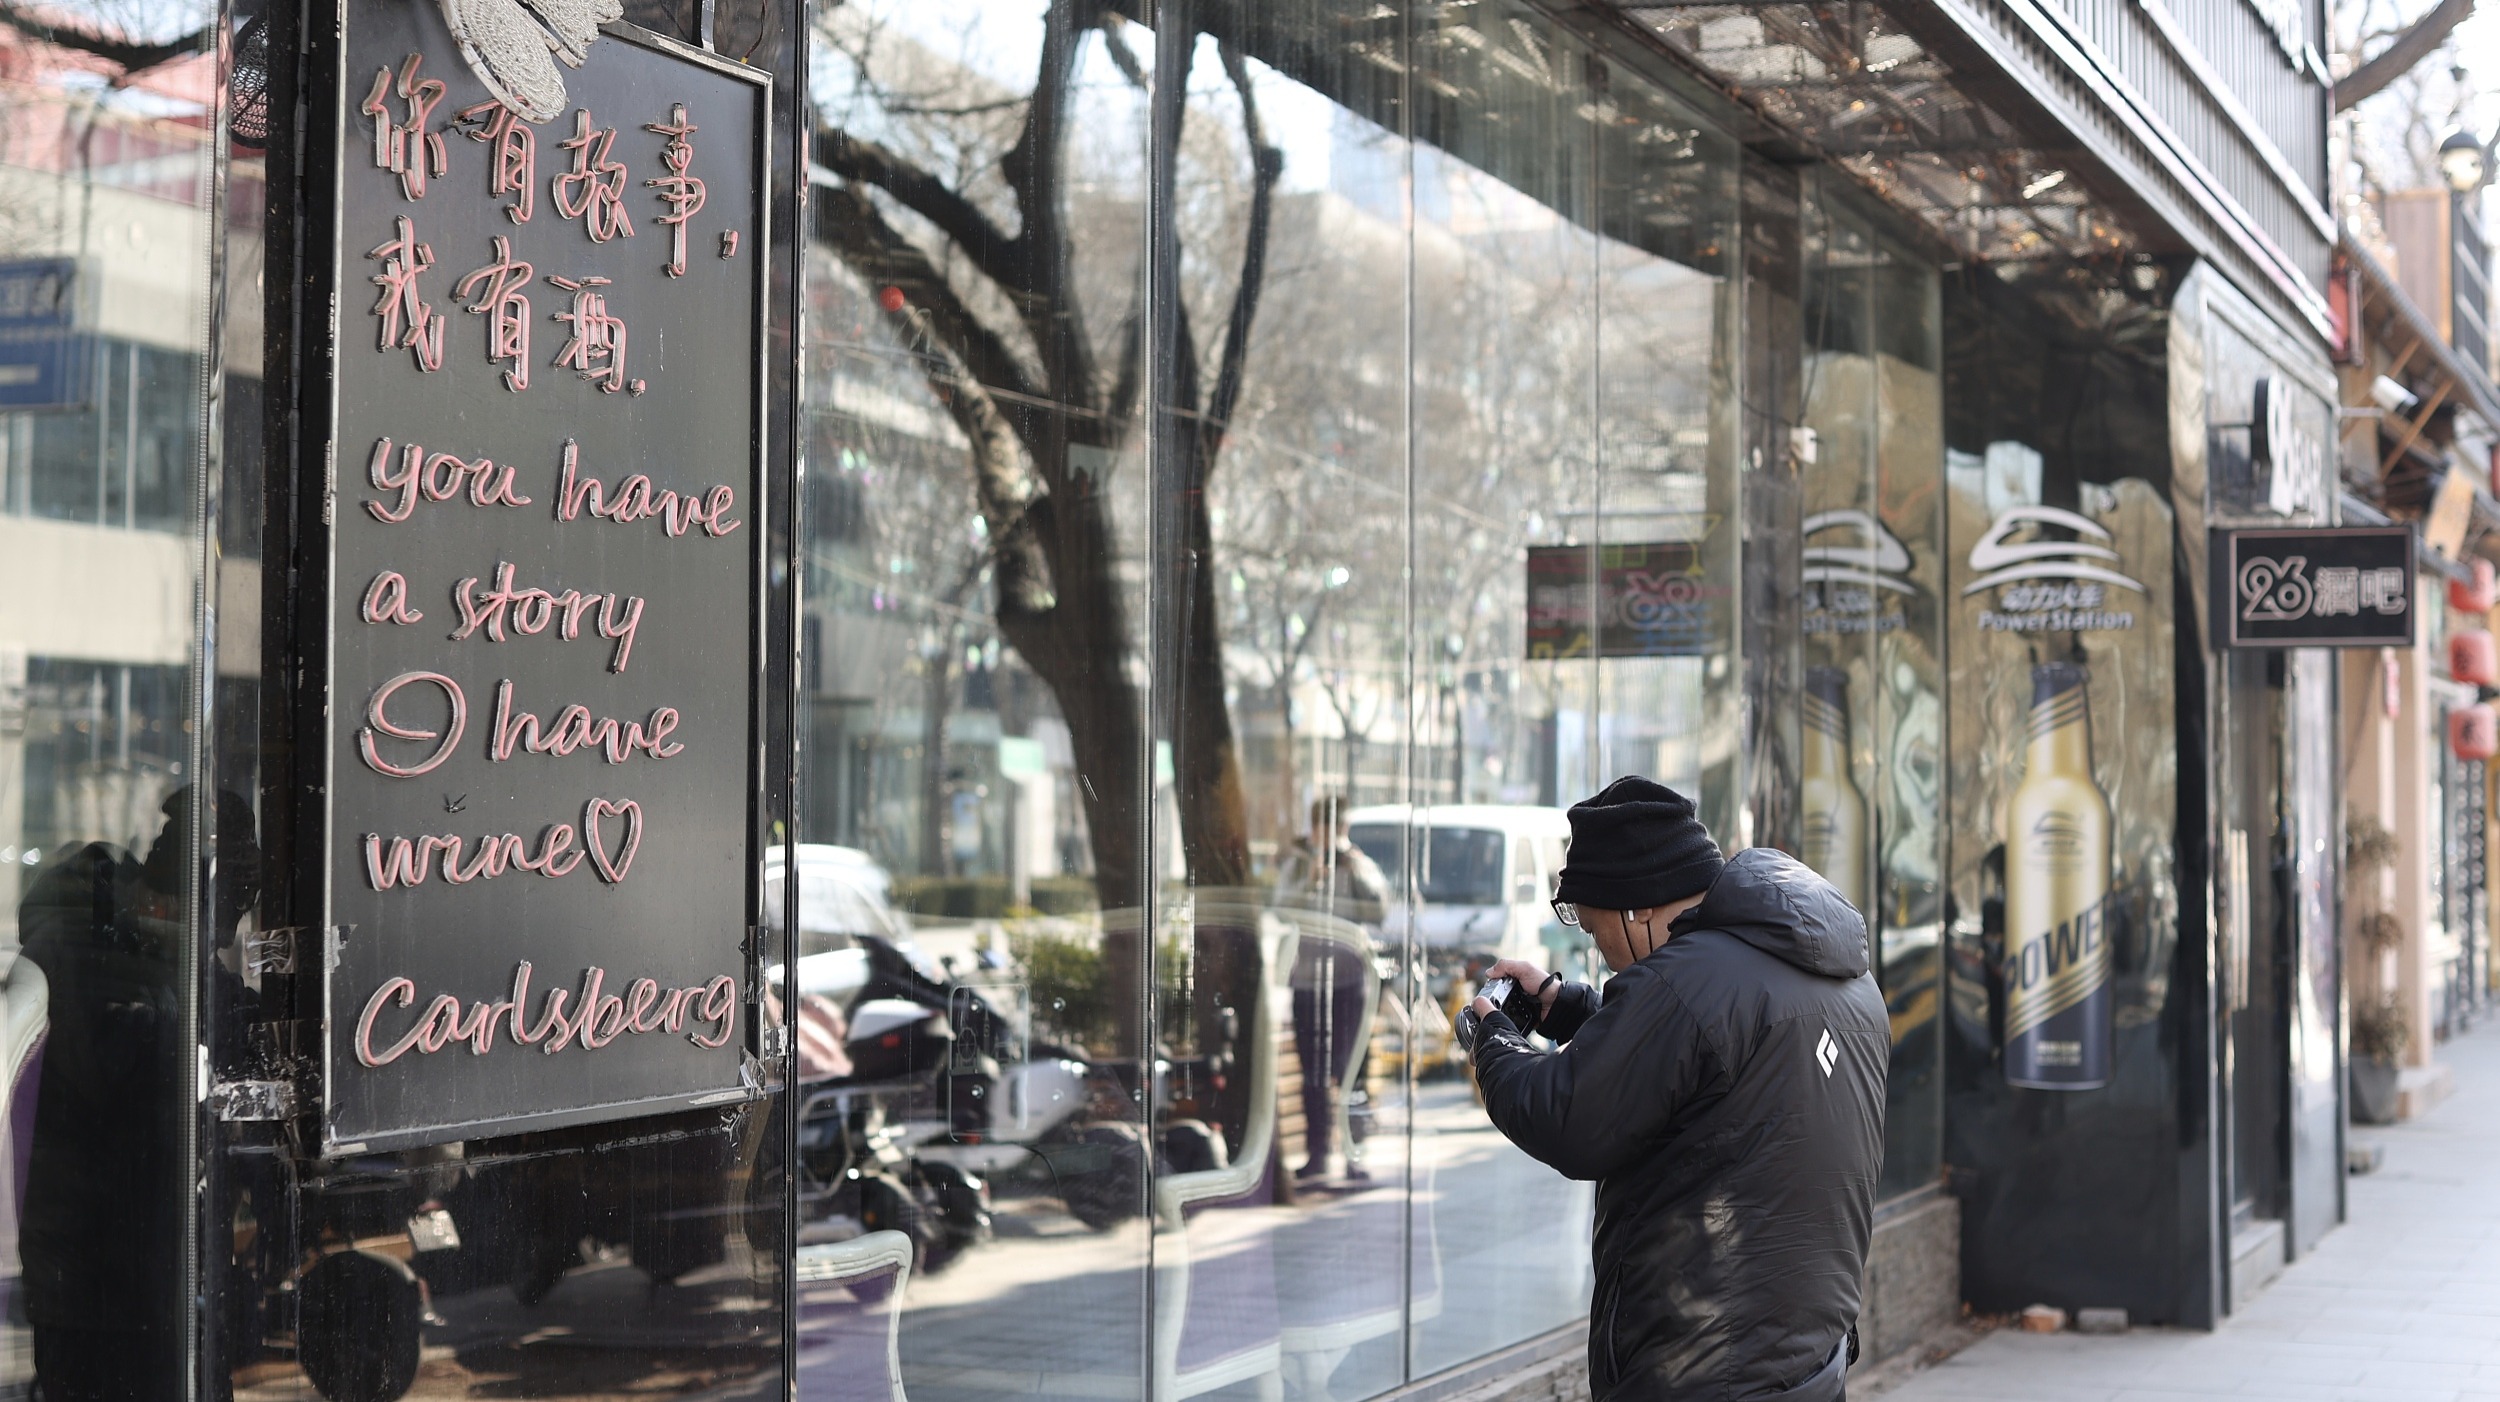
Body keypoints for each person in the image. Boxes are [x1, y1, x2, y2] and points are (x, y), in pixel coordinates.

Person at [1469, 777, 1887, 1401]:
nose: (1598, 946)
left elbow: (1569, 1118)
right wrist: (1563, 1009)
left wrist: (1492, 1041)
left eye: (1589, 923)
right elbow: (1709, 1066)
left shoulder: (1686, 984)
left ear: (1633, 908)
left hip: (1702, 1369)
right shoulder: (1833, 976)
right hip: (1806, 1362)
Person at [1270, 795, 1389, 1182]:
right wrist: (1310, 879)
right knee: (1313, 1071)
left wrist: (1354, 872)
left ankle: (1355, 1155)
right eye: (1332, 829)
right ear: (1317, 828)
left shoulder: (1357, 863)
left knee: (1353, 1068)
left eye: (1342, 829)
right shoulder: (1299, 864)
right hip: (1308, 981)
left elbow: (1380, 911)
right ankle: (1317, 1153)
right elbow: (1280, 908)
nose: (1338, 837)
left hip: (1349, 980)